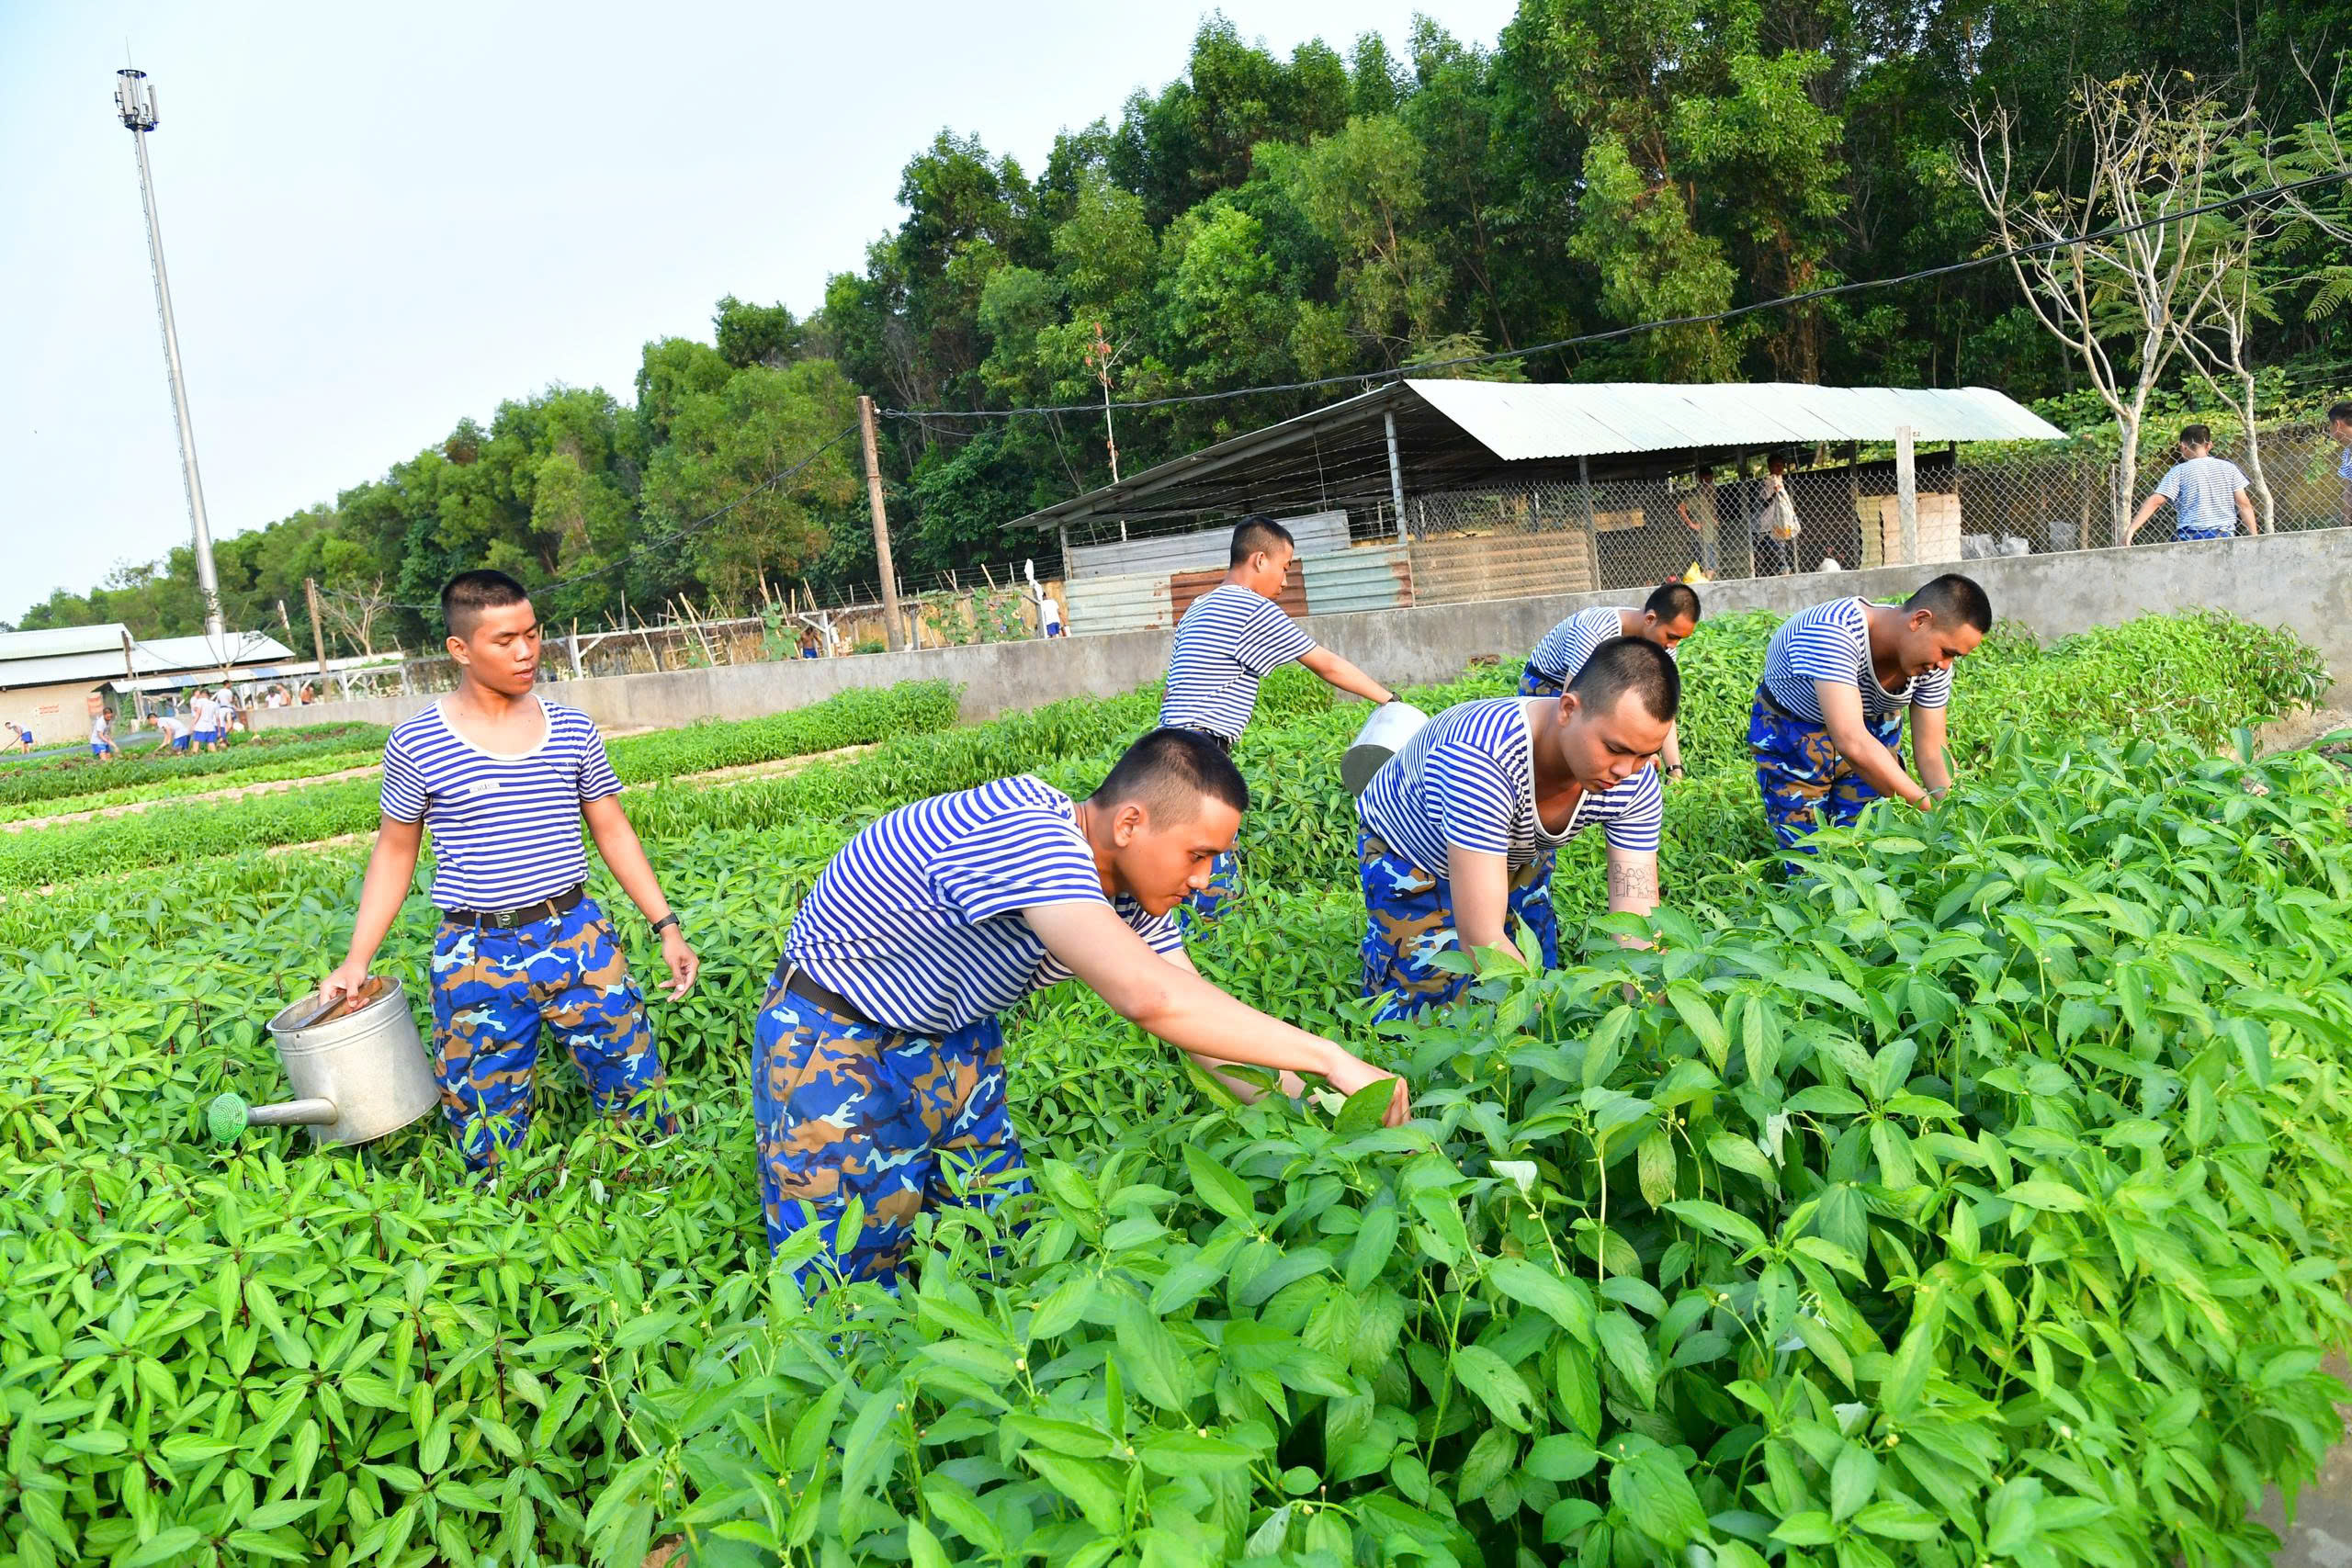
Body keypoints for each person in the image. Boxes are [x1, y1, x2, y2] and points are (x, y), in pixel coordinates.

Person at [752, 728, 1408, 1287]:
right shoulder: (1028, 831)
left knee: (997, 1237)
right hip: (838, 1038)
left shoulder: (1128, 890)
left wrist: (1329, 1118)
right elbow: (1148, 998)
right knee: (845, 1276)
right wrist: (1331, 1056)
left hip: (956, 1041)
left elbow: (1200, 1026)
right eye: (1198, 854)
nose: (1206, 879)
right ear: (1129, 822)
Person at [319, 570, 701, 1170]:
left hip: (577, 936)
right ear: (460, 649)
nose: (526, 651)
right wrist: (355, 960)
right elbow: (395, 852)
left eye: (532, 633)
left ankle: (655, 1207)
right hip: (476, 953)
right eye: (505, 640)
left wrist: (666, 925)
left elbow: (612, 829)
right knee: (488, 1128)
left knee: (640, 1097)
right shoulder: (417, 743)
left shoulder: (572, 728)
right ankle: (515, 1225)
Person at [1357, 639, 1677, 1022]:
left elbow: (1636, 916)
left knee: (1534, 960)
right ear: (1569, 709)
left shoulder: (1633, 779)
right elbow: (1481, 939)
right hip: (1413, 850)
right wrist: (1553, 1027)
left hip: (1513, 842)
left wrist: (1653, 1021)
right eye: (1614, 749)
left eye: (1645, 754)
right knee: (1427, 1011)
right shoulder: (1480, 759)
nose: (1626, 770)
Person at [1159, 515, 1397, 919]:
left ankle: (1174, 936)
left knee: (1175, 854)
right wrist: (1388, 699)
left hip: (1164, 747)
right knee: (1209, 856)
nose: (1285, 583)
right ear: (1259, 560)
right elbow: (1324, 664)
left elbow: (1169, 689)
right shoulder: (1250, 606)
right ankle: (1215, 944)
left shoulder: (1200, 606)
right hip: (1201, 753)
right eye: (1285, 568)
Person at [1750, 574, 1991, 852]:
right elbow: (1851, 740)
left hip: (1872, 729)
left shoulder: (1931, 663)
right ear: (1919, 620)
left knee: (1869, 847)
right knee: (1808, 855)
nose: (1946, 666)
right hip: (1795, 731)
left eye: (1955, 657)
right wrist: (1926, 808)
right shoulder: (1834, 632)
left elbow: (1933, 752)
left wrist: (1959, 812)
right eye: (1947, 652)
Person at [1521, 583, 1702, 783]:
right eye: (1672, 636)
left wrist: (1674, 769)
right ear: (1650, 619)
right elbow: (1575, 704)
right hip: (1547, 688)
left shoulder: (1664, 646)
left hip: (1600, 690)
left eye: (1680, 640)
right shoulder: (1594, 631)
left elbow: (1660, 708)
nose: (1673, 646)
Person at [2130, 424, 2256, 541]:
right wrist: (2254, 536)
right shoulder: (2228, 468)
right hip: (2223, 534)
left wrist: (2131, 530)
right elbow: (2244, 504)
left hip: (2189, 536)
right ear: (2209, 445)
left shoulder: (2178, 471)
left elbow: (2156, 501)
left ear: (2183, 447)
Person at [1750, 455, 1801, 576]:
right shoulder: (1768, 482)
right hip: (1764, 528)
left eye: (1781, 465)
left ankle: (1784, 573)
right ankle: (1784, 574)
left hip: (1776, 526)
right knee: (1772, 558)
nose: (1779, 468)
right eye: (1776, 465)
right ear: (1770, 467)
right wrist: (1775, 493)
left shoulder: (1780, 481)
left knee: (1777, 558)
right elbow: (1764, 502)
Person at [2329, 400, 2352, 527]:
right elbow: (2348, 494)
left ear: (2337, 424)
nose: (2331, 434)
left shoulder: (2348, 454)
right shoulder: (2347, 453)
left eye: (2330, 427)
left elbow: (2347, 494)